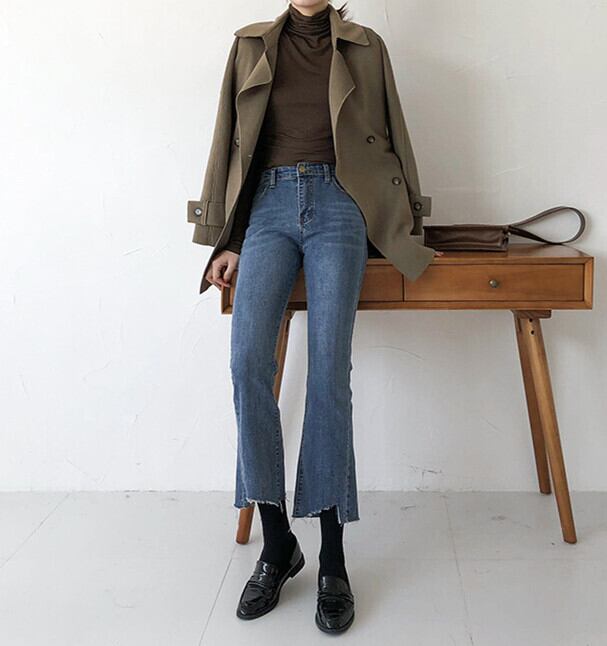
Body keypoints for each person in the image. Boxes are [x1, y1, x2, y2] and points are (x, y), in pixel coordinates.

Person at [201, 0, 442, 634]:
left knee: (330, 373)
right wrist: (227, 237)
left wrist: (407, 222)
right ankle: (278, 543)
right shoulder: (250, 45)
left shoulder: (365, 45)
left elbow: (393, 134)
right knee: (247, 363)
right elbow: (231, 142)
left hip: (341, 205)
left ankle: (333, 558)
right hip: (268, 207)